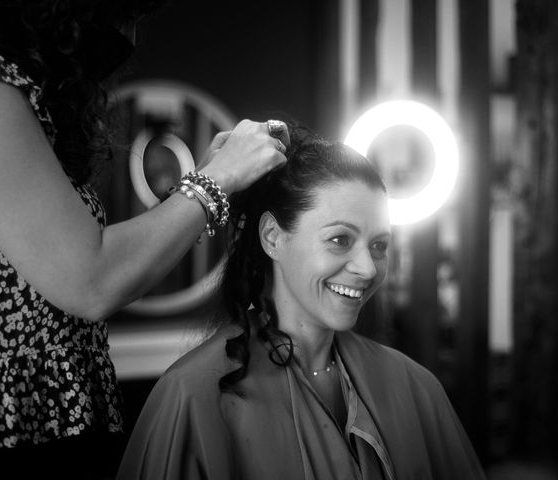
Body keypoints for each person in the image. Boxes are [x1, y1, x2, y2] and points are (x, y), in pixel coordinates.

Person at [0, 1, 290, 478]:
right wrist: (218, 179)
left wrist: (207, 183)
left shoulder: (15, 90)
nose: (128, 38)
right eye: (121, 14)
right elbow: (92, 279)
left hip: (62, 405)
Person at [116, 123, 486, 479]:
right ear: (273, 237)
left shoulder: (416, 388)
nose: (368, 269)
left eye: (379, 246)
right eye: (340, 240)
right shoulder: (192, 397)